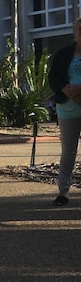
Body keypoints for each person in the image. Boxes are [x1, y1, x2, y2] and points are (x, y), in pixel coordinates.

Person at [47, 16, 81, 206]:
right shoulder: (63, 54)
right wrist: (67, 90)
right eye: (80, 29)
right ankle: (63, 191)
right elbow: (53, 78)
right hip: (67, 108)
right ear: (75, 30)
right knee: (68, 150)